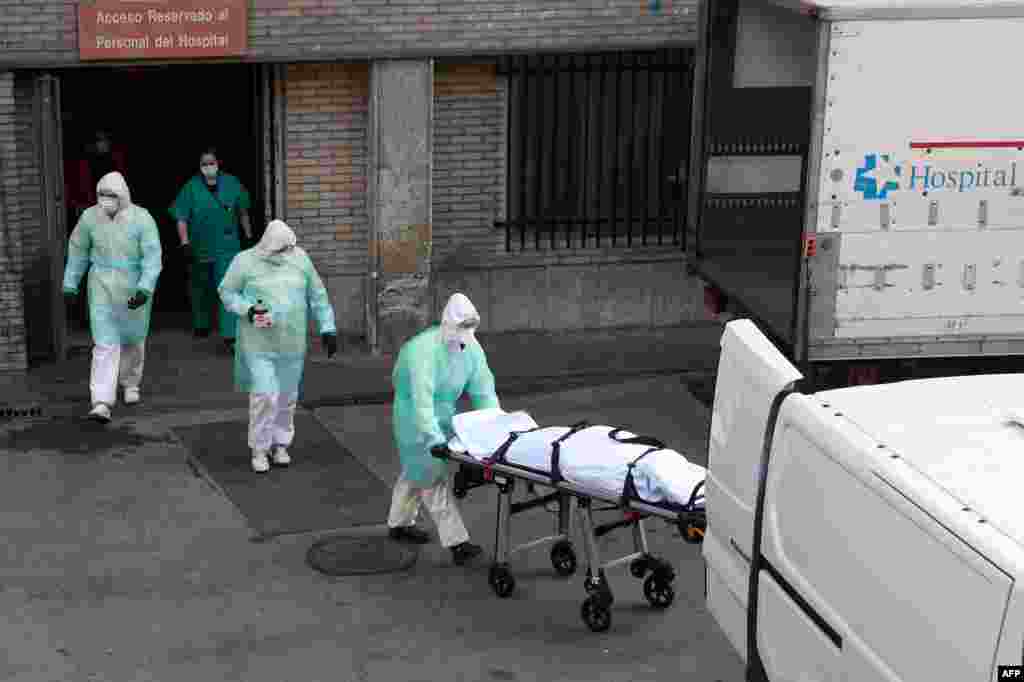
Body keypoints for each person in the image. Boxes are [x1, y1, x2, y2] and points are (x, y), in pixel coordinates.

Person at [386, 292, 498, 566]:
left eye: (470, 328)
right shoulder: (422, 351)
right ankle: (457, 542)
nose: (466, 334)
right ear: (449, 323)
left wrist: (496, 425)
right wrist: (433, 438)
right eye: (462, 327)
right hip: (412, 414)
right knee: (432, 475)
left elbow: (484, 389)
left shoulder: (471, 347)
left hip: (445, 410)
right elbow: (422, 401)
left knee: (415, 471)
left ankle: (398, 523)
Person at [218, 219, 338, 473]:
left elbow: (317, 294)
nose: (287, 253)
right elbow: (227, 292)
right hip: (258, 343)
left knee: (286, 397)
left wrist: (328, 327)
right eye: (282, 249)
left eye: (290, 248)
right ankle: (259, 448)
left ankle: (280, 443)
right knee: (264, 395)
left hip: (292, 342)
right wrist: (248, 310)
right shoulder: (245, 261)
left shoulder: (300, 259)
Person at [61, 172, 163, 424]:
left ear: (123, 196)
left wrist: (144, 289)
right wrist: (71, 283)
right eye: (102, 195)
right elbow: (78, 250)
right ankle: (102, 401)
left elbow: (152, 257)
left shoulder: (142, 219)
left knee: (133, 338)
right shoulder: (89, 218)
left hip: (132, 284)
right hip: (101, 284)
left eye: (112, 195)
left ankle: (130, 383)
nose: (106, 200)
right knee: (105, 342)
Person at [170, 146, 253, 353]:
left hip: (227, 246)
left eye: (211, 162)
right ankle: (201, 323)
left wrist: (249, 237)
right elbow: (181, 217)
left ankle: (230, 335)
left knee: (228, 287)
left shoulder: (232, 184)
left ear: (218, 163)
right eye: (204, 163)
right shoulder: (191, 187)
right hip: (200, 246)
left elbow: (243, 212)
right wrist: (185, 243)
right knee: (200, 286)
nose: (208, 167)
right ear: (200, 167)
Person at [66, 129, 129, 221]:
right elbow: (71, 188)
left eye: (104, 140)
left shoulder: (116, 162)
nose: (101, 144)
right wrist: (77, 205)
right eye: (98, 140)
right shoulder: (82, 164)